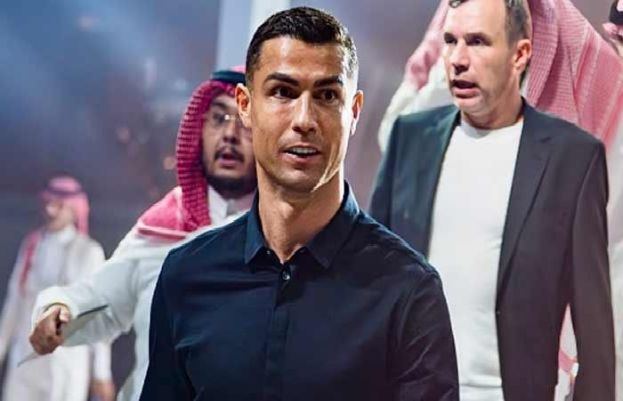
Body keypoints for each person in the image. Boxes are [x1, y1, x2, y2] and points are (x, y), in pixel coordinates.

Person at [139, 7, 458, 401]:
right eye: (283, 92)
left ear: (353, 112)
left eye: (326, 95)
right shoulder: (187, 276)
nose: (304, 119)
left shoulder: (407, 291)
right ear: (245, 105)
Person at [369, 0, 615, 400]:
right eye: (451, 41)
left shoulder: (571, 158)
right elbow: (371, 285)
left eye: (478, 42)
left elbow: (594, 327)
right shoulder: (409, 140)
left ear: (520, 54)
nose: (457, 60)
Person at [28, 68, 256, 401]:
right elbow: (102, 303)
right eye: (219, 118)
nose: (230, 134)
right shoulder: (164, 226)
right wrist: (60, 309)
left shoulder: (283, 236)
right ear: (201, 129)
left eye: (247, 122)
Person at [0, 176, 114, 401]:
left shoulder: (89, 251)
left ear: (74, 210)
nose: (50, 210)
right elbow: (14, 303)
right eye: (48, 203)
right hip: (24, 360)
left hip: (65, 363)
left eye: (59, 205)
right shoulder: (31, 245)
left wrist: (101, 372)